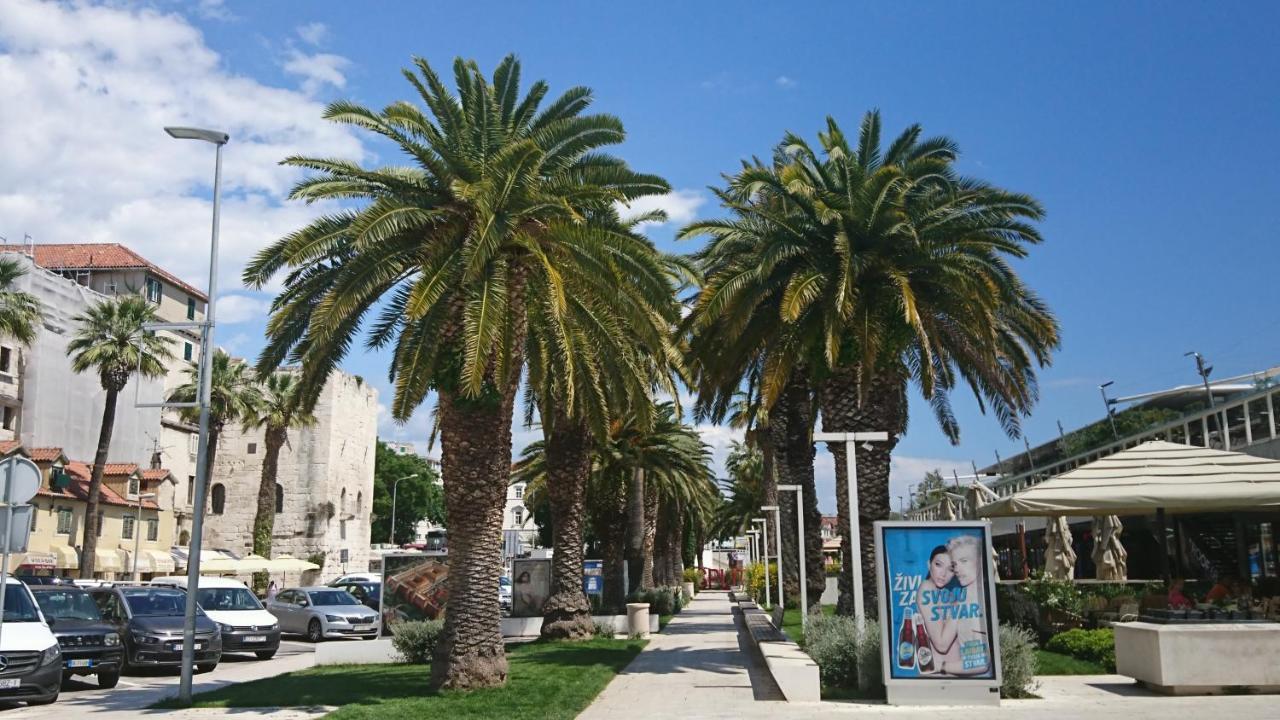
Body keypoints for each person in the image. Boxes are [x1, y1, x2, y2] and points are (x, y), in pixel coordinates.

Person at [939, 534, 991, 676]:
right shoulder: (960, 602)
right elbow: (942, 644)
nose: (957, 569)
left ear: (980, 561)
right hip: (958, 678)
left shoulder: (983, 601)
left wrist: (941, 666)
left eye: (964, 561)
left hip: (978, 683)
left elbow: (981, 663)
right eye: (955, 564)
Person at [916, 546, 960, 674]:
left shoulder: (947, 593)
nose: (943, 574)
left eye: (950, 569)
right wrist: (960, 605)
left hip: (951, 676)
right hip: (937, 676)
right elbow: (941, 644)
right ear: (929, 565)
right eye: (938, 565)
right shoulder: (927, 588)